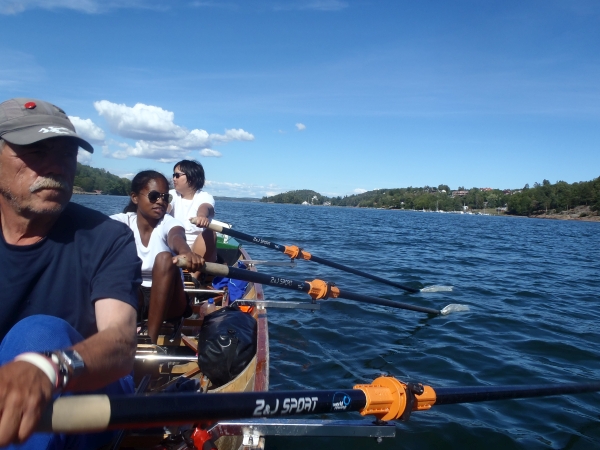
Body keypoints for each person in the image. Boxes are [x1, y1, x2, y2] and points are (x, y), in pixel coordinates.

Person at [0, 97, 142, 448]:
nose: (56, 167)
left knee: (38, 334)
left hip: (87, 384)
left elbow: (121, 344)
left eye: (67, 154)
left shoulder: (108, 237)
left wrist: (48, 368)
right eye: (36, 150)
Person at [111, 170, 204, 343]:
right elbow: (95, 230)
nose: (160, 201)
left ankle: (150, 341)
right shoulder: (122, 221)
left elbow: (176, 237)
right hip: (135, 294)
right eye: (154, 196)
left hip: (170, 300)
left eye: (165, 197)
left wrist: (186, 253)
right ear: (135, 197)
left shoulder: (169, 223)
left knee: (163, 258)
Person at [169, 160, 217, 264]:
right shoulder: (171, 194)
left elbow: (205, 207)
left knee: (210, 232)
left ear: (192, 178)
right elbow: (166, 206)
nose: (173, 178)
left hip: (199, 251)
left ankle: (194, 276)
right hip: (176, 247)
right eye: (173, 175)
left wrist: (202, 216)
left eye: (177, 175)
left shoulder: (204, 196)